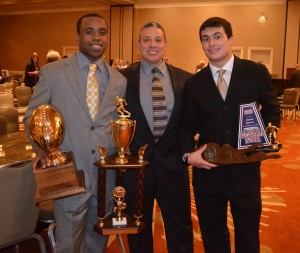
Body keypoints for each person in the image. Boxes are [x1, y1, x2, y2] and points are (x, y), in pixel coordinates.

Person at [23, 13, 126, 253]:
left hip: (104, 176)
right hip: (69, 172)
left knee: (97, 240)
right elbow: (31, 117)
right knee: (68, 243)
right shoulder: (53, 72)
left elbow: (114, 122)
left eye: (102, 32)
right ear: (77, 36)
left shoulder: (119, 80)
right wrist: (42, 149)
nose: (96, 37)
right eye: (89, 31)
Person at [179, 17, 281, 253]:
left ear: (230, 39)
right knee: (213, 236)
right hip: (208, 169)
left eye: (217, 36)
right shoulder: (194, 83)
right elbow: (186, 125)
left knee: (247, 235)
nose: (211, 43)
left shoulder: (255, 72)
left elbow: (273, 111)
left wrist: (262, 139)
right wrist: (188, 155)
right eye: (205, 38)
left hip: (245, 170)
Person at [119, 22, 194, 253]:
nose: (153, 45)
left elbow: (190, 122)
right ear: (139, 44)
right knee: (138, 224)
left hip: (173, 163)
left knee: (180, 224)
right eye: (147, 40)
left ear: (166, 45)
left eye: (158, 40)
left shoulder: (185, 80)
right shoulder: (121, 80)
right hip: (137, 166)